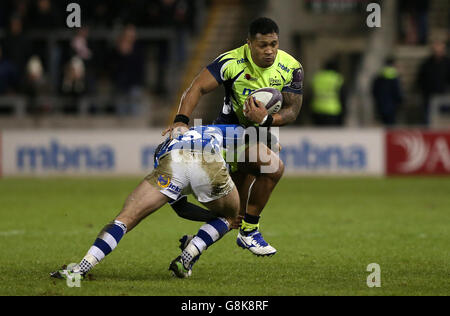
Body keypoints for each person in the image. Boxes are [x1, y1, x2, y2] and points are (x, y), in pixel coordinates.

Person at [164, 17, 304, 257]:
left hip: (256, 134)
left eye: (274, 44)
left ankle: (193, 245)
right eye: (263, 45)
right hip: (228, 135)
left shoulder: (291, 67)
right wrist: (180, 121)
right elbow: (196, 87)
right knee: (273, 167)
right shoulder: (231, 61)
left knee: (233, 214)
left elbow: (293, 110)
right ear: (249, 43)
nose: (270, 51)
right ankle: (250, 232)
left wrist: (266, 120)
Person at [50, 125, 240, 280]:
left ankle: (81, 268)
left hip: (173, 162)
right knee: (229, 218)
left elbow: (180, 208)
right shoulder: (209, 130)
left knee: (124, 219)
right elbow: (245, 132)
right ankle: (190, 253)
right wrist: (218, 218)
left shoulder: (163, 149)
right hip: (210, 162)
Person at [417, 40, 450, 126]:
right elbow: (421, 78)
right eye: (436, 49)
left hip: (444, 96)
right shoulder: (427, 63)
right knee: (429, 119)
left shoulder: (447, 63)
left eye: (440, 49)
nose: (438, 51)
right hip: (429, 95)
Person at [310, 60, 345, 126]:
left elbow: (310, 94)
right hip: (333, 111)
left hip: (317, 110)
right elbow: (342, 95)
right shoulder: (337, 78)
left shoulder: (317, 77)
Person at [372, 57, 403, 126]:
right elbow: (397, 91)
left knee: (384, 124)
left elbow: (374, 90)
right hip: (392, 105)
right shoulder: (394, 76)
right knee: (391, 125)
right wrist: (400, 100)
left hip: (381, 104)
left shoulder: (380, 75)